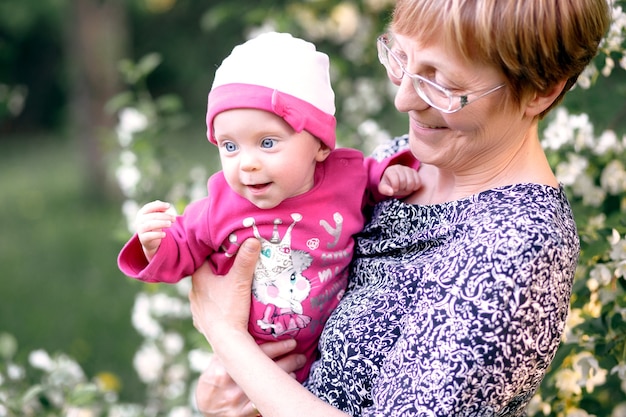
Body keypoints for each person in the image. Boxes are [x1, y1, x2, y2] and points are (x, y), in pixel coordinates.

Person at [187, 0, 611, 416]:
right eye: (400, 58)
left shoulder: (516, 246)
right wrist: (226, 393)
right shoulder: (404, 164)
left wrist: (225, 335)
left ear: (542, 90)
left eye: (442, 84)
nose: (404, 99)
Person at [117, 32, 420, 383]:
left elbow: (371, 176)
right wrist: (155, 244)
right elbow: (182, 250)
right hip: (252, 362)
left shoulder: (344, 176)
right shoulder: (220, 205)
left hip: (321, 355)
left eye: (267, 142)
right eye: (230, 146)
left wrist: (391, 176)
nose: (247, 163)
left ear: (320, 145)